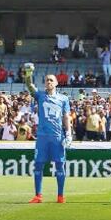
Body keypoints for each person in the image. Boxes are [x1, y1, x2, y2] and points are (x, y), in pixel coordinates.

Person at [23, 65, 71, 204]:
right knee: (38, 165)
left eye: (51, 80)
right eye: (46, 80)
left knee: (59, 166)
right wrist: (28, 73)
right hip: (42, 137)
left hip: (57, 137)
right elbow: (29, 85)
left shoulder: (63, 99)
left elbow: (66, 116)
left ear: (56, 83)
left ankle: (60, 196)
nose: (48, 82)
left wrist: (68, 134)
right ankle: (38, 196)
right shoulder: (40, 96)